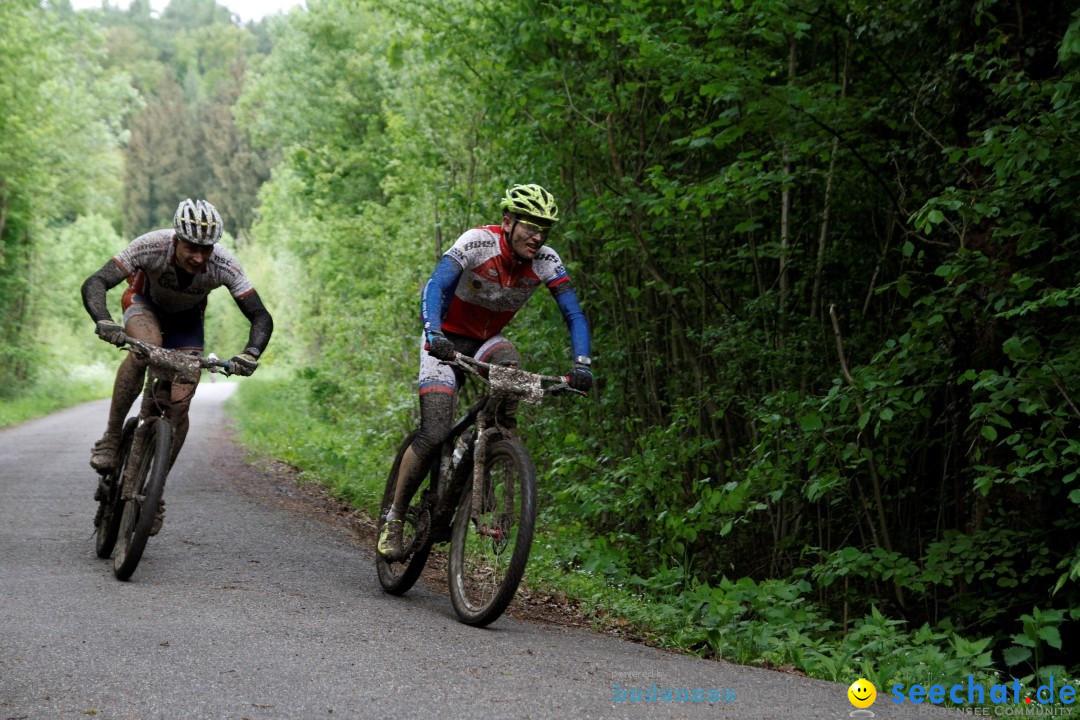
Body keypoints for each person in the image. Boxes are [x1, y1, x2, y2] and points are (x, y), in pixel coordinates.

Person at [378, 183, 593, 560]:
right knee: (434, 431)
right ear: (508, 222)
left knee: (511, 372)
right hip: (444, 339)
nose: (538, 236)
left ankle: (476, 453)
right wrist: (434, 333)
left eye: (545, 229)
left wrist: (582, 365)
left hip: (487, 340)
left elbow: (573, 314)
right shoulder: (478, 242)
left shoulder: (545, 260)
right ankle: (395, 518)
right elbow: (435, 285)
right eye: (530, 226)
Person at [81, 198, 273, 534]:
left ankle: (153, 490)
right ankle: (112, 438)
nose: (199, 257)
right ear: (176, 240)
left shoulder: (225, 265)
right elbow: (96, 282)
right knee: (145, 349)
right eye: (191, 248)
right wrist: (105, 320)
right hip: (143, 305)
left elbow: (260, 315)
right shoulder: (150, 246)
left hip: (187, 321)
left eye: (206, 249)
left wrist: (250, 353)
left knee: (180, 404)